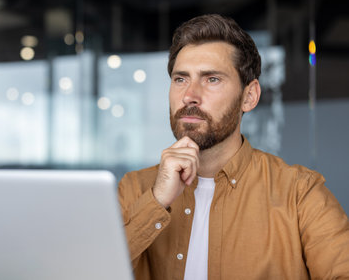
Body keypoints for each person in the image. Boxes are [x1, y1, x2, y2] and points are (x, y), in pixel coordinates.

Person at [118, 14, 349, 280]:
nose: (189, 95)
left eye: (211, 79)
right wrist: (156, 202)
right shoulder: (134, 189)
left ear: (249, 97)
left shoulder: (299, 194)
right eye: (180, 79)